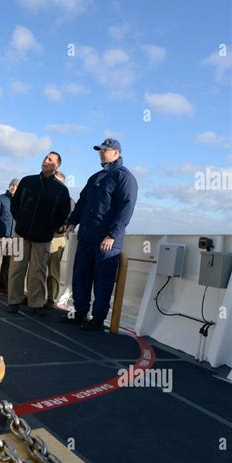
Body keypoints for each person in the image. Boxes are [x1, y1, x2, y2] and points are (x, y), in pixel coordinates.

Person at [64, 138, 137, 330]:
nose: (101, 153)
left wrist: (112, 235)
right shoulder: (96, 177)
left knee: (102, 280)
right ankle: (80, 313)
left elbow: (126, 208)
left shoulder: (124, 177)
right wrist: (72, 221)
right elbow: (83, 201)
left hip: (107, 240)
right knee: (81, 275)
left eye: (105, 150)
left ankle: (97, 319)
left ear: (117, 153)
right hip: (87, 236)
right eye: (100, 150)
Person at [7, 152, 71, 316]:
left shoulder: (61, 190)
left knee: (38, 271)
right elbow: (15, 205)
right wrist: (20, 219)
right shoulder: (28, 181)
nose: (45, 160)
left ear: (56, 166)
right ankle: (14, 301)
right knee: (17, 268)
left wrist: (50, 226)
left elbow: (63, 213)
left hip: (43, 237)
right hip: (22, 233)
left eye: (50, 159)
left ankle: (35, 304)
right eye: (45, 158)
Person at [45, 171, 75, 307]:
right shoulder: (45, 195)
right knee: (37, 268)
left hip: (56, 238)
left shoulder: (68, 200)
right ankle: (36, 296)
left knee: (53, 269)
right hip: (41, 236)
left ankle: (51, 297)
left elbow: (69, 220)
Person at [0, 178, 19, 296]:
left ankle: (3, 287)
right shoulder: (0, 199)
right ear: (9, 186)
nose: (14, 188)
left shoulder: (19, 202)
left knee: (7, 263)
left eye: (16, 186)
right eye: (12, 185)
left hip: (13, 236)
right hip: (0, 236)